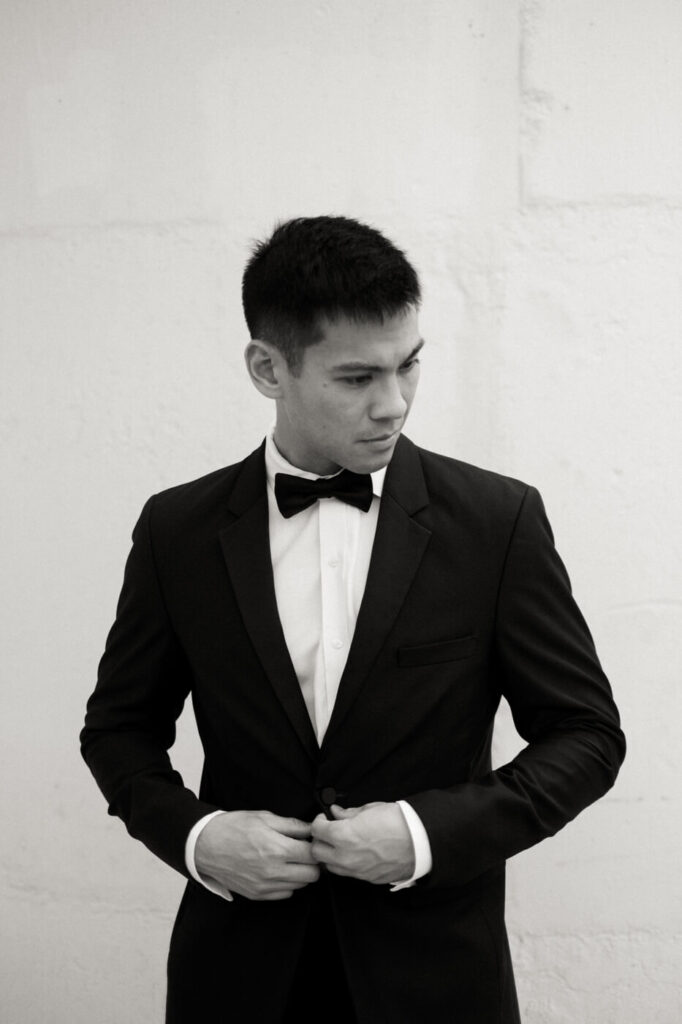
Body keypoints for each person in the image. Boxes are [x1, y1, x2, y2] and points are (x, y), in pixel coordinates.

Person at [80, 215, 625, 1023]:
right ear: (269, 369)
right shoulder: (176, 531)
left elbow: (587, 735)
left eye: (409, 367)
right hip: (238, 982)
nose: (394, 403)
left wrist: (426, 833)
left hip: (437, 982)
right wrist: (199, 839)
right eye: (357, 378)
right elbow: (118, 730)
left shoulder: (496, 521)